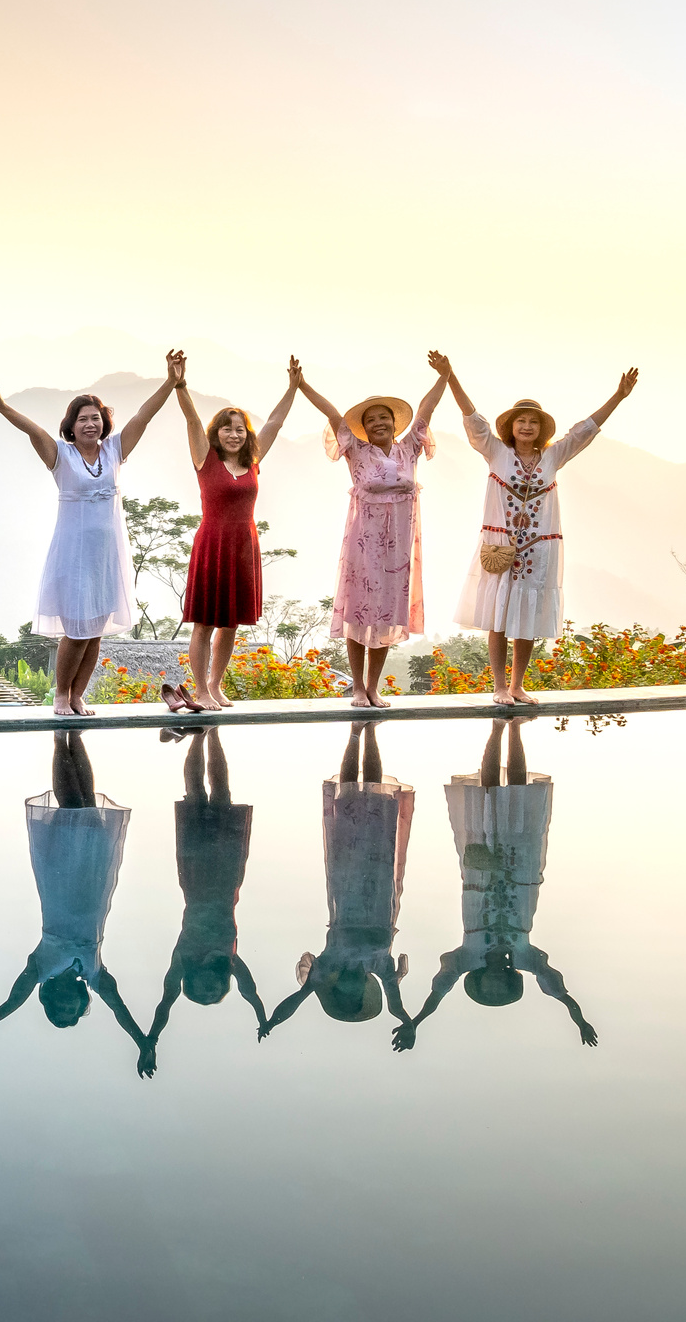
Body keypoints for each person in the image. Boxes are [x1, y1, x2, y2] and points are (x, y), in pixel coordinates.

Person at [0, 353, 186, 715]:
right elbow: (33, 431)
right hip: (73, 553)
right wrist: (0, 405)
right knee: (75, 630)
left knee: (95, 630)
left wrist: (170, 382)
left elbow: (144, 415)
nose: (90, 424)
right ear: (72, 425)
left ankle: (79, 695)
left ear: (104, 422)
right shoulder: (60, 455)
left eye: (96, 418)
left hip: (108, 553)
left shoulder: (114, 450)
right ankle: (61, 693)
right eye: (83, 420)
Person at [434, 354, 639, 704]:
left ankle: (517, 685)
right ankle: (499, 686)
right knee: (499, 617)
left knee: (525, 618)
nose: (526, 427)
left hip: (537, 550)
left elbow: (585, 430)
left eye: (533, 422)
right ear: (511, 427)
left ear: (541, 429)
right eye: (521, 421)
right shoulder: (495, 451)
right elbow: (473, 419)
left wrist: (618, 396)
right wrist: (450, 376)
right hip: (501, 548)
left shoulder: (553, 457)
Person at [0, 732, 157, 1076]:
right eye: (72, 1010)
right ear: (81, 1004)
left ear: (49, 1000)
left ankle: (58, 737)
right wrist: (143, 1043)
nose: (67, 1005)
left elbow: (9, 1005)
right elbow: (120, 1009)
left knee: (69, 807)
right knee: (88, 807)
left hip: (60, 880)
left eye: (59, 1010)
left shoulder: (39, 971)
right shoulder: (94, 975)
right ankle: (74, 736)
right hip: (95, 881)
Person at [397, 720, 596, 1050]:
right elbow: (560, 993)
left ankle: (496, 727)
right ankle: (513, 728)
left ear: (478, 983)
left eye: (488, 991)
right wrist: (580, 1019)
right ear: (509, 984)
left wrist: (415, 1022)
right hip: (520, 868)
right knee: (520, 796)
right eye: (500, 990)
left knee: (487, 798)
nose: (494, 985)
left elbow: (438, 994)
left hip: (481, 871)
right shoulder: (525, 958)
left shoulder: (465, 961)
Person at [293, 357, 449, 709]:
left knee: (386, 615)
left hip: (399, 547)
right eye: (372, 419)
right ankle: (358, 689)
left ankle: (374, 687)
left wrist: (445, 376)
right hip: (365, 543)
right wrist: (302, 385)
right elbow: (333, 414)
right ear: (363, 429)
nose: (379, 423)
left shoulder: (409, 449)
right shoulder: (357, 452)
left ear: (395, 425)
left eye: (384, 418)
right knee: (360, 611)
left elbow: (428, 408)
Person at [259, 722, 417, 1038]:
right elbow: (396, 1008)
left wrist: (271, 1022)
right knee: (373, 793)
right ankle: (367, 731)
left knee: (349, 799)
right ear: (362, 990)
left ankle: (358, 730)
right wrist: (410, 1024)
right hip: (378, 878)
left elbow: (295, 1001)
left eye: (345, 995)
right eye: (355, 995)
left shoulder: (327, 968)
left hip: (344, 880)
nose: (350, 990)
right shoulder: (382, 970)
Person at [169, 363, 300, 710]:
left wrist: (293, 388)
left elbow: (274, 423)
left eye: (240, 429)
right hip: (213, 545)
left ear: (247, 434)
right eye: (227, 429)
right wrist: (180, 384)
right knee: (205, 623)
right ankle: (199, 690)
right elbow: (192, 421)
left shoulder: (253, 460)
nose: (234, 434)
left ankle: (215, 684)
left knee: (230, 625)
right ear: (217, 433)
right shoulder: (205, 458)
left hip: (244, 547)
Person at [141, 729, 268, 1062]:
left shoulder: (183, 958)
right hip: (227, 877)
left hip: (196, 877)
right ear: (222, 985)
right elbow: (250, 991)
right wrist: (262, 1017)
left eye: (203, 992)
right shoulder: (229, 961)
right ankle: (213, 735)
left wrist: (151, 1040)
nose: (211, 989)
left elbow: (165, 1002)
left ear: (193, 984)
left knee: (194, 793)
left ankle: (198, 738)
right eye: (216, 993)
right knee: (223, 793)